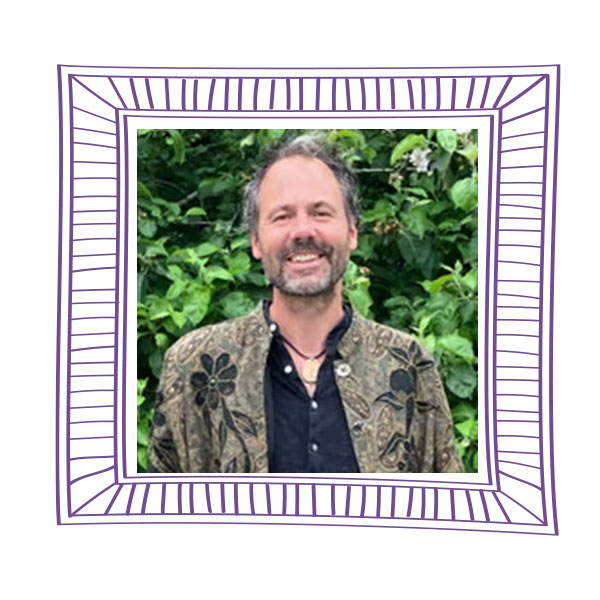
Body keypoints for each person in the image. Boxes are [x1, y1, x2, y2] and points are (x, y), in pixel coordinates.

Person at [149, 135, 464, 474]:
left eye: (321, 213)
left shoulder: (408, 364)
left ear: (352, 232)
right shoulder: (194, 365)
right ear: (256, 241)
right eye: (282, 216)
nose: (302, 231)